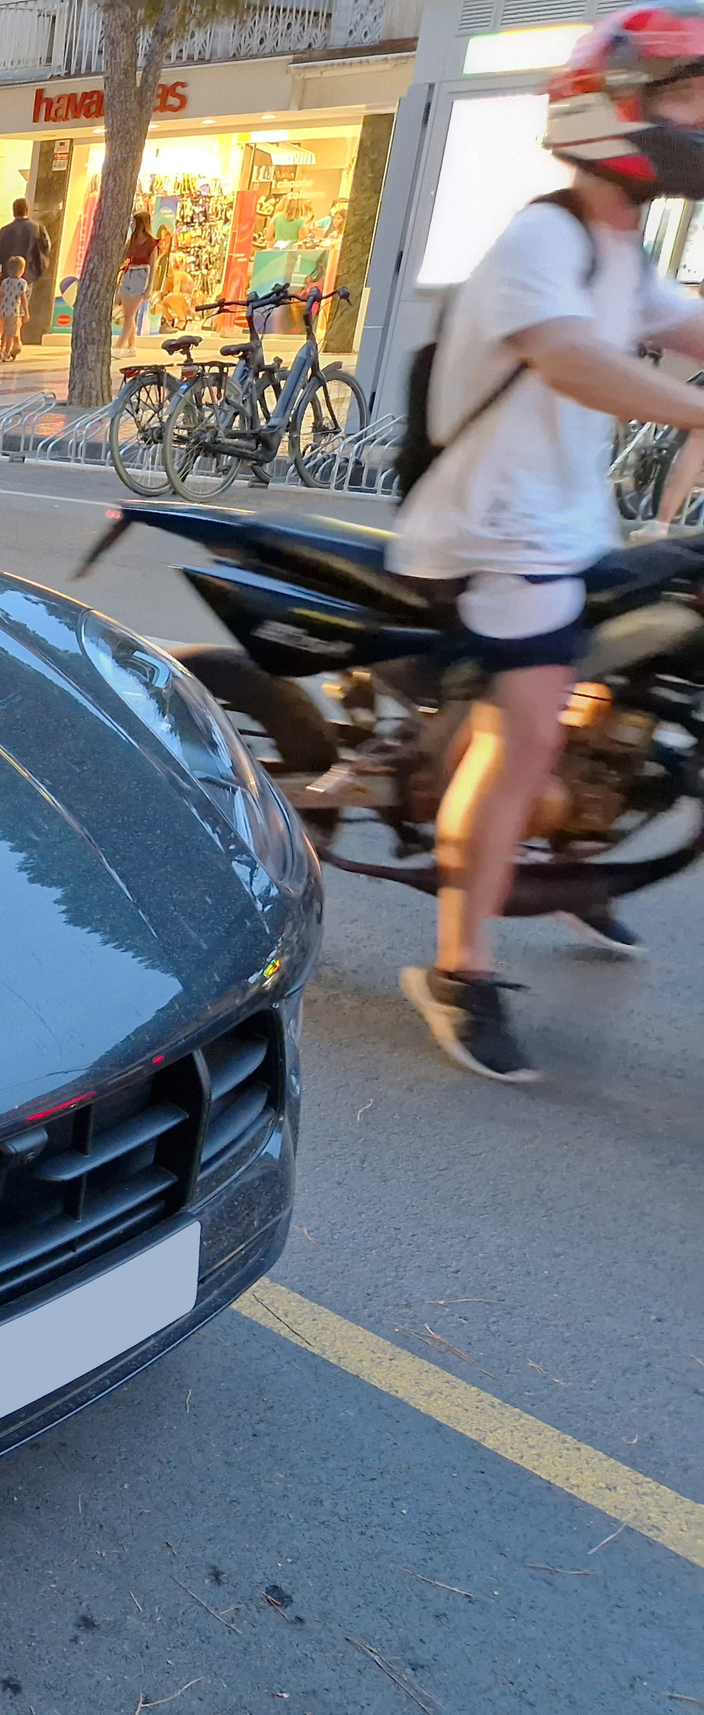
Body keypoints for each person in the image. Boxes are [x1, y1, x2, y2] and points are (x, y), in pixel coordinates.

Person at [390, 0, 704, 1080]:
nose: (697, 117)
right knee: (523, 729)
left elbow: (682, 329)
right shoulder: (541, 237)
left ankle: (580, 851)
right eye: (683, 96)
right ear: (613, 108)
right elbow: (572, 362)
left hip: (566, 521)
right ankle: (456, 967)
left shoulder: (619, 250)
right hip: (499, 530)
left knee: (650, 655)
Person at [0, 197, 52, 304]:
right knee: (22, 306)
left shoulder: (5, 230)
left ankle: (9, 321)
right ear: (27, 210)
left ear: (13, 211)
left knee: (7, 306)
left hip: (8, 274)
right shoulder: (37, 227)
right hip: (28, 272)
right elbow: (47, 246)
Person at [115, 211, 158, 352]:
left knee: (130, 314)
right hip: (128, 273)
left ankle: (119, 346)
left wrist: (149, 286)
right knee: (127, 313)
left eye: (135, 222)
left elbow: (153, 266)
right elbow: (124, 257)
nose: (132, 225)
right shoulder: (131, 240)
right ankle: (131, 346)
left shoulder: (151, 243)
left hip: (141, 274)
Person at [0, 255, 31, 362]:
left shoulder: (5, 282)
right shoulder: (22, 283)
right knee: (11, 333)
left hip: (4, 310)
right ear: (21, 270)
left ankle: (1, 350)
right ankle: (7, 353)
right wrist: (26, 312)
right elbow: (23, 298)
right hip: (14, 311)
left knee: (4, 332)